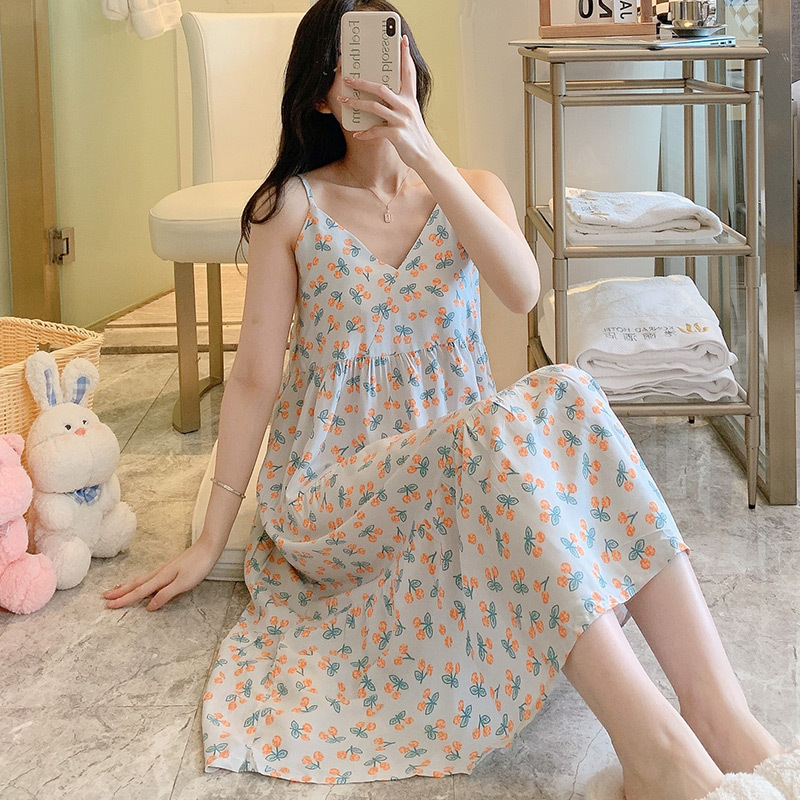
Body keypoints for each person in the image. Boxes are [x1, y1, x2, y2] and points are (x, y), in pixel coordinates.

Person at [102, 1, 791, 797]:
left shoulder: (470, 189)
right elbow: (255, 378)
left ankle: (725, 723)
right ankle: (657, 754)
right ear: (319, 95)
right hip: (337, 492)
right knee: (489, 437)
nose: (370, 78)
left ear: (413, 67)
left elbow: (522, 292)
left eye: (386, 53)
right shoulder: (291, 206)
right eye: (345, 64)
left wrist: (425, 155)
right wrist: (211, 536)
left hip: (469, 476)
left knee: (566, 388)